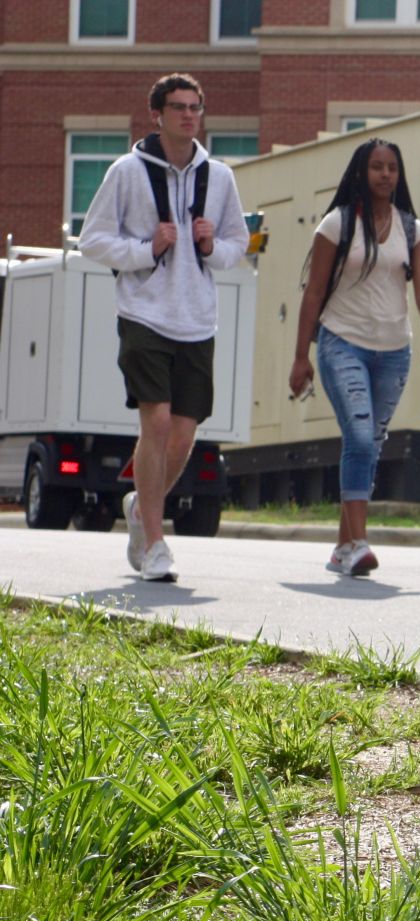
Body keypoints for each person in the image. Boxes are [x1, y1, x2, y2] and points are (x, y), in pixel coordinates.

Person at [78, 73, 248, 584]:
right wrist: (146, 249)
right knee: (155, 423)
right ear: (157, 114)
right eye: (178, 107)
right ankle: (154, 541)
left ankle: (140, 507)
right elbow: (92, 240)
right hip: (144, 314)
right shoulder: (128, 172)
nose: (189, 115)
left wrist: (211, 245)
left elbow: (238, 245)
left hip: (198, 319)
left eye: (195, 106)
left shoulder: (219, 177)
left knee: (184, 434)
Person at [286, 138, 420, 576]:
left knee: (369, 442)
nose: (385, 174)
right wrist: (302, 357)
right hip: (342, 342)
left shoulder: (414, 230)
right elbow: (313, 292)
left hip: (394, 351)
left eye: (392, 167)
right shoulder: (336, 225)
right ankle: (358, 542)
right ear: (362, 171)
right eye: (376, 167)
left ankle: (342, 547)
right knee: (357, 434)